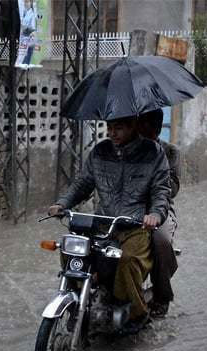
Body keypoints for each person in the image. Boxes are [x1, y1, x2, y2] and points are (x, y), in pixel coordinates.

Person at [48, 116, 171, 333]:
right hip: (102, 224)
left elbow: (161, 190)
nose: (112, 133)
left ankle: (135, 313)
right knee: (72, 250)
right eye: (110, 128)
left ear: (133, 127)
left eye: (119, 128)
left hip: (135, 226)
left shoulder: (153, 153)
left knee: (128, 260)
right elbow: (83, 183)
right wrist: (62, 203)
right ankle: (78, 302)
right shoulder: (100, 151)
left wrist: (155, 214)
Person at [137, 109, 180, 318]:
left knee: (160, 241)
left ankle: (162, 295)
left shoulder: (170, 152)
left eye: (148, 127)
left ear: (156, 128)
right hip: (128, 209)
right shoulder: (127, 150)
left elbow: (171, 188)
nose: (144, 132)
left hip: (160, 211)